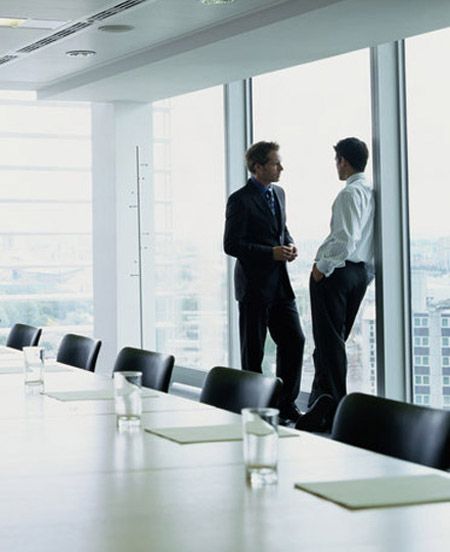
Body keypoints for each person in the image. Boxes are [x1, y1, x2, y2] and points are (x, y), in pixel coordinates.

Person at [296, 137, 374, 432]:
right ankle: (320, 406)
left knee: (328, 345)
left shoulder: (349, 194)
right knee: (332, 343)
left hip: (336, 274)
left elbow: (345, 239)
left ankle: (334, 412)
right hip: (358, 274)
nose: (336, 166)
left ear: (343, 160)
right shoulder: (371, 192)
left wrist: (321, 268)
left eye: (337, 160)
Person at [224, 141, 305, 423]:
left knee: (295, 340)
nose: (280, 167)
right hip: (254, 288)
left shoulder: (279, 193)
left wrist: (289, 245)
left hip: (281, 286)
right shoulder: (240, 199)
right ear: (257, 167)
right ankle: (255, 409)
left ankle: (286, 404)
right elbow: (231, 244)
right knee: (254, 353)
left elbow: (281, 228)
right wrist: (270, 253)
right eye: (274, 163)